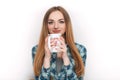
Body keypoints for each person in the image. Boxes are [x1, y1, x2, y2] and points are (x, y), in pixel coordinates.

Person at [32, 6, 87, 80]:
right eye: (51, 22)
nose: (56, 26)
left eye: (61, 21)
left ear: (67, 24)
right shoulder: (36, 50)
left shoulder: (80, 50)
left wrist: (65, 58)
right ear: (46, 25)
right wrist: (47, 58)